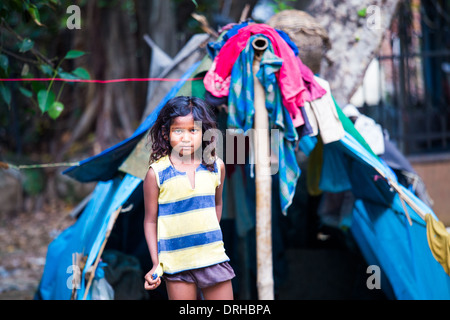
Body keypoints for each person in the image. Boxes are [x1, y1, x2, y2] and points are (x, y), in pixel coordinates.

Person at [143, 96, 234, 300]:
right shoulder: (156, 173)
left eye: (193, 130)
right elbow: (150, 220)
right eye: (178, 131)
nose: (186, 137)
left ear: (204, 133)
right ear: (166, 134)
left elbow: (217, 204)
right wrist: (156, 263)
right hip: (176, 264)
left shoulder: (216, 166)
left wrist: (205, 239)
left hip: (212, 258)